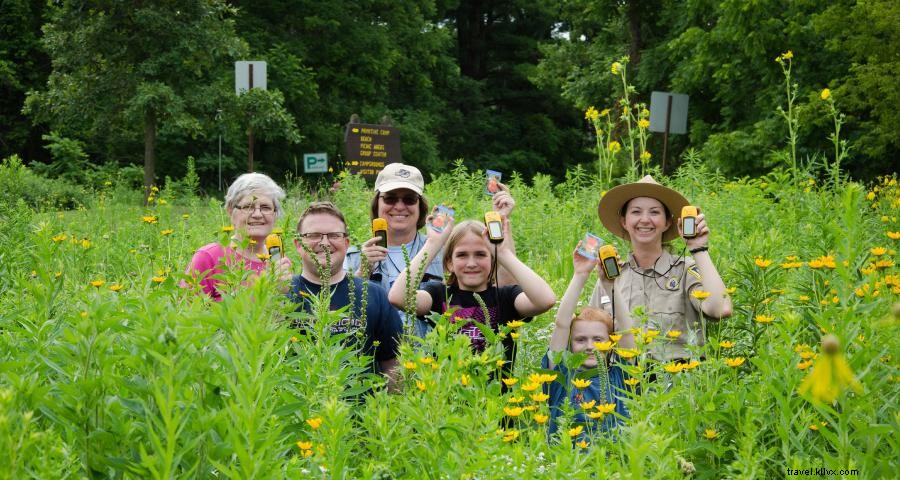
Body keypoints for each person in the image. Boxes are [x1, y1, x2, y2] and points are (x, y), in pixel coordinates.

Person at [345, 163, 517, 336]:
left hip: (431, 358)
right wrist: (361, 274)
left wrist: (502, 222)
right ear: (377, 204)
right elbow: (338, 314)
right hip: (373, 358)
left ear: (420, 206)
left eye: (409, 199)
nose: (399, 206)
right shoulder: (354, 257)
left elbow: (502, 292)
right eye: (390, 198)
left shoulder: (445, 251)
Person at [387, 214, 556, 374]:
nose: (471, 263)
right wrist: (433, 243)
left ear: (492, 260)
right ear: (449, 263)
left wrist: (503, 253)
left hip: (495, 399)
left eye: (481, 254)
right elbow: (398, 297)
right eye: (461, 255)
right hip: (447, 399)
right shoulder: (439, 294)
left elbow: (545, 300)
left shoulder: (506, 297)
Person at [593, 175, 732, 362]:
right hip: (625, 382)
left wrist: (698, 249)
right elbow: (591, 336)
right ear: (624, 221)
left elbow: (721, 309)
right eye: (635, 212)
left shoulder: (685, 270)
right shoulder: (611, 277)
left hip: (680, 382)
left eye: (654, 212)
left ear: (667, 222)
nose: (644, 220)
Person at [281, 201, 402, 391]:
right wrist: (273, 298)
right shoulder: (282, 293)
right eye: (313, 235)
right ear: (298, 244)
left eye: (334, 235)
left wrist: (391, 412)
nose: (324, 242)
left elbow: (393, 365)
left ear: (346, 243)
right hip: (298, 412)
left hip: (362, 416)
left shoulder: (374, 295)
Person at [542, 245, 636, 442]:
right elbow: (561, 324)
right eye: (580, 339)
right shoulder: (562, 378)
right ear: (569, 344)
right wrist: (580, 275)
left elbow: (627, 332)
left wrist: (610, 285)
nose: (590, 346)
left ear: (611, 343)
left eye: (598, 339)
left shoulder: (621, 377)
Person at [183, 172, 288, 301]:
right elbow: (185, 314)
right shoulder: (209, 257)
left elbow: (283, 316)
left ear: (275, 214)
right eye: (248, 207)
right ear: (230, 212)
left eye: (265, 207)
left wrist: (282, 293)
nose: (257, 214)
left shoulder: (278, 258)